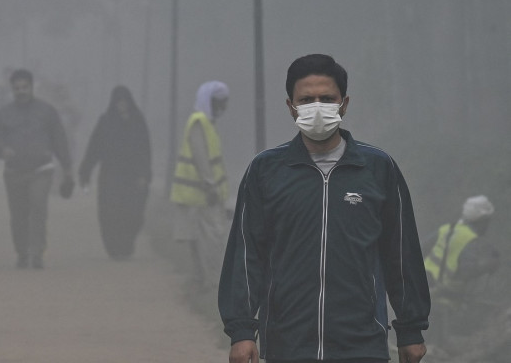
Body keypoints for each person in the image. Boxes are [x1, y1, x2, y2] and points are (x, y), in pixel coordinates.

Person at [219, 54, 430, 363]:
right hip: (287, 343)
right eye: (306, 99)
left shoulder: (377, 169)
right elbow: (247, 254)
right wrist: (241, 331)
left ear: (343, 104)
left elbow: (400, 253)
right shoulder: (266, 171)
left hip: (361, 343)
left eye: (326, 98)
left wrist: (411, 331)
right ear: (291, 107)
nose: (316, 107)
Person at [0, 68, 74, 269]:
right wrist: (2, 150)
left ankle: (37, 253)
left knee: (38, 208)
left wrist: (68, 168)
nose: (21, 91)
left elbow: (59, 140)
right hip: (14, 172)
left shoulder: (47, 112)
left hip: (41, 170)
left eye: (24, 87)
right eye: (17, 88)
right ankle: (22, 252)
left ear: (31, 87)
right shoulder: (4, 114)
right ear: (12, 89)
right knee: (19, 214)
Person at [78, 85, 151, 260]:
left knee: (133, 214)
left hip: (133, 177)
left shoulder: (138, 122)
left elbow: (145, 151)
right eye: (119, 102)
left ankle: (127, 244)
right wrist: (85, 171)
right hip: (110, 176)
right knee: (110, 214)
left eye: (124, 102)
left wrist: (144, 175)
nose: (122, 106)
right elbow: (94, 148)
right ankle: (114, 248)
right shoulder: (105, 122)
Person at [170, 81, 230, 290]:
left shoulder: (206, 122)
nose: (222, 107)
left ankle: (203, 279)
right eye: (218, 103)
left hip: (199, 193)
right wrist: (210, 185)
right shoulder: (199, 122)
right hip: (200, 193)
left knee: (199, 238)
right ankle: (211, 281)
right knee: (210, 239)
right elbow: (201, 157)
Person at [423, 195, 499, 344]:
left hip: (424, 291)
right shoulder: (470, 239)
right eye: (487, 221)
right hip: (443, 301)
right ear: (481, 221)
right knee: (433, 346)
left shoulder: (447, 229)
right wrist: (488, 265)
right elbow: (467, 271)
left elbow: (420, 248)